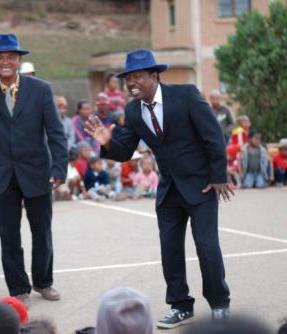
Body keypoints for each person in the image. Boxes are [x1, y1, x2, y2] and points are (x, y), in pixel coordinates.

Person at [85, 49, 232, 328]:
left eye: (137, 76)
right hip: (168, 190)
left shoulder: (186, 95)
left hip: (201, 186)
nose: (131, 83)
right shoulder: (132, 110)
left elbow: (213, 135)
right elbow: (125, 149)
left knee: (206, 246)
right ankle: (180, 305)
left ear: (154, 76)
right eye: (128, 78)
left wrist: (218, 176)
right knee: (170, 249)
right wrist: (106, 143)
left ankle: (220, 305)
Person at [0, 33, 68, 304]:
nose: (5, 62)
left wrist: (59, 167)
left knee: (41, 232)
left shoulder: (40, 89)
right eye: (0, 58)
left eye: (10, 57)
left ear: (19, 60)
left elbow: (56, 132)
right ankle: (18, 288)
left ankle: (44, 282)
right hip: (2, 175)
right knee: (8, 235)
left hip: (37, 171)